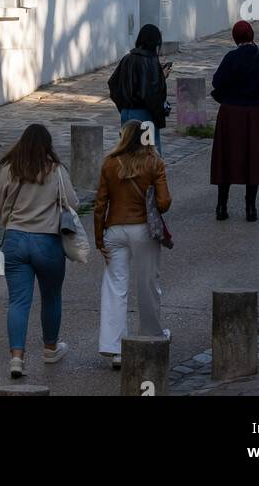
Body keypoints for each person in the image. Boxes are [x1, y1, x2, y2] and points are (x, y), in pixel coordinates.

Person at [0, 122, 79, 379]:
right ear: (47, 146)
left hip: (15, 239)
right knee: (51, 297)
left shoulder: (10, 169)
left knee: (18, 301)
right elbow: (72, 203)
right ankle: (50, 348)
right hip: (47, 241)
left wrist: (12, 222)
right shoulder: (56, 171)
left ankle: (17, 358)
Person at [94, 121, 172, 367]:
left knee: (115, 287)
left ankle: (115, 348)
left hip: (114, 230)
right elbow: (164, 203)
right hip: (143, 229)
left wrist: (99, 238)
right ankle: (151, 336)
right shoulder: (154, 163)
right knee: (148, 283)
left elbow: (99, 206)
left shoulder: (109, 163)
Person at [210, 20, 259, 221]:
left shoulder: (231, 57)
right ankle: (250, 208)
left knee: (226, 157)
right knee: (253, 156)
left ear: (235, 37)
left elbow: (217, 81)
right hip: (255, 110)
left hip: (231, 111)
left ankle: (222, 206)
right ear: (252, 35)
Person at [107, 23, 170, 152]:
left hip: (126, 114)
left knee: (128, 153)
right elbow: (150, 92)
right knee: (148, 156)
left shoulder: (127, 58)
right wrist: (161, 77)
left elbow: (113, 84)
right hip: (144, 115)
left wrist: (123, 106)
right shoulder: (151, 61)